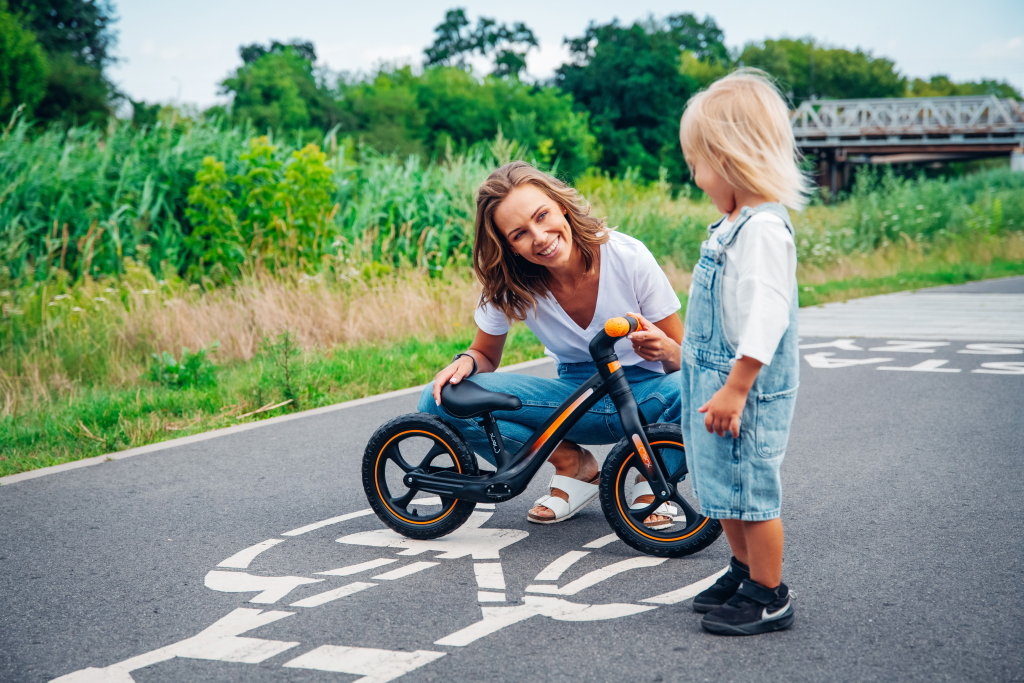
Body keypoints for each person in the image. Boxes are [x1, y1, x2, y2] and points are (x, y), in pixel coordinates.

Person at [417, 161, 683, 527]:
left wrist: (666, 350)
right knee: (440, 397)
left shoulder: (628, 257)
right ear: (507, 246)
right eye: (519, 234)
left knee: (705, 387)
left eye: (542, 216)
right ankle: (574, 467)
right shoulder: (510, 284)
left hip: (647, 396)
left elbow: (685, 361)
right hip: (574, 401)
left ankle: (652, 481)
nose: (539, 237)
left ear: (561, 206)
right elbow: (484, 354)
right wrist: (467, 360)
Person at [676, 70, 809, 635]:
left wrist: (736, 385)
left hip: (743, 389)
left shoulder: (763, 232)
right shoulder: (732, 224)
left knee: (751, 491)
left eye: (697, 164)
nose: (695, 177)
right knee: (720, 487)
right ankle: (742, 568)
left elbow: (766, 316)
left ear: (729, 158)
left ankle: (770, 591)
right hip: (715, 381)